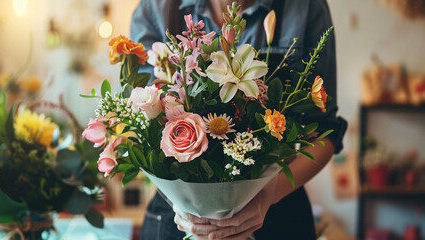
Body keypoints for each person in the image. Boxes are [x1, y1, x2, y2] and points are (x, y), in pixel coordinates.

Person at [131, 0, 347, 239]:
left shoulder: (306, 7)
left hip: (278, 209)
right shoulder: (156, 9)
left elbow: (325, 132)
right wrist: (183, 202)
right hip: (178, 218)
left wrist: (268, 194)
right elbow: (142, 124)